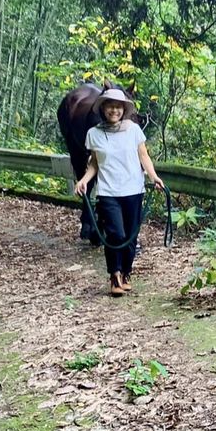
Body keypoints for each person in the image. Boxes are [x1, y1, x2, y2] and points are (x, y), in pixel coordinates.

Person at [73, 87, 165, 296]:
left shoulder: (133, 130)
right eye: (110, 106)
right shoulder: (93, 133)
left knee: (131, 236)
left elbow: (143, 156)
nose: (114, 110)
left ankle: (125, 273)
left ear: (123, 109)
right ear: (103, 108)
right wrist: (84, 180)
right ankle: (114, 275)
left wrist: (154, 177)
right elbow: (95, 163)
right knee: (116, 234)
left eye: (118, 107)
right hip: (108, 192)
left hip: (133, 189)